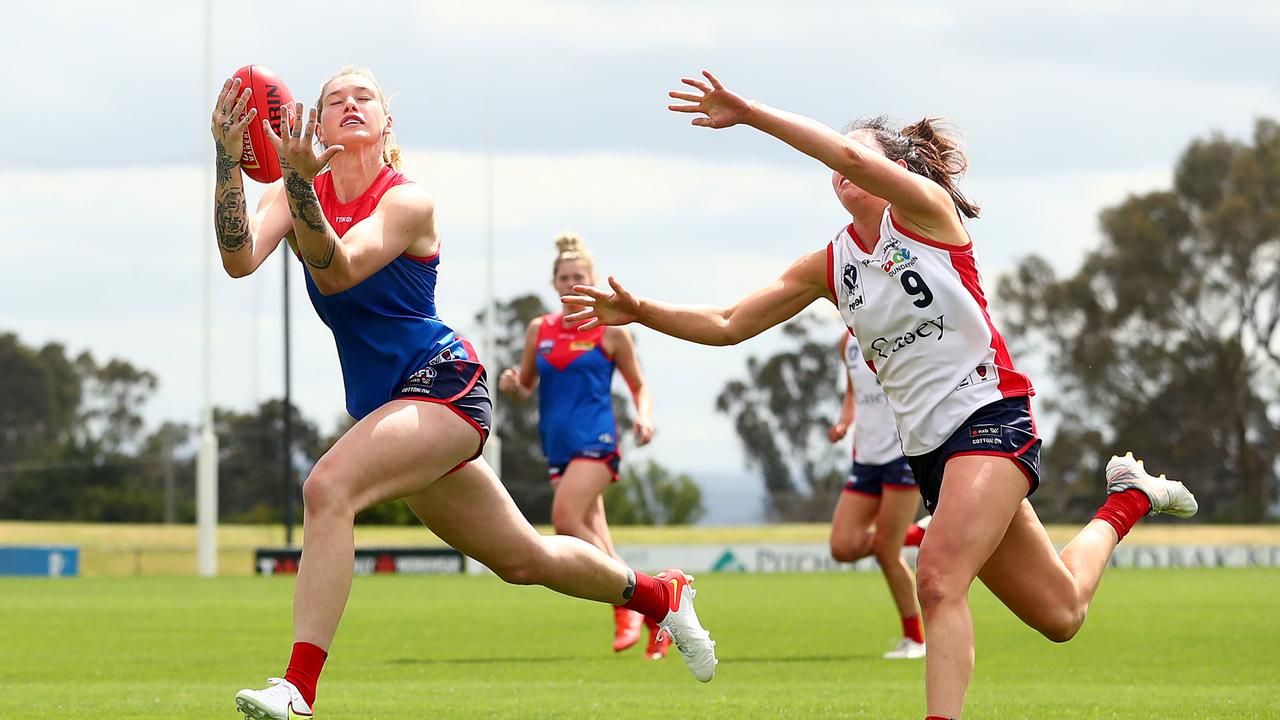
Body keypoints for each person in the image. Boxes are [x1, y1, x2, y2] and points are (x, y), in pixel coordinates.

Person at [563, 70, 1197, 720]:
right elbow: (728, 324)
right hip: (932, 453)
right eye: (843, 159)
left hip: (990, 418)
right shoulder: (831, 264)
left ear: (893, 166)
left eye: (859, 152)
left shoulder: (924, 212)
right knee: (1060, 612)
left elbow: (842, 153)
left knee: (939, 578)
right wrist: (641, 311)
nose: (844, 164)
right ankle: (1129, 498)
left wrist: (750, 112)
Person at [209, 67, 715, 719]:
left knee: (327, 488)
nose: (351, 105)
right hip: (391, 407)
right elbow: (237, 257)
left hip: (444, 385)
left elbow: (338, 271)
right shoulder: (293, 189)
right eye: (336, 100)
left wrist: (299, 181)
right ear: (317, 124)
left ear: (387, 124)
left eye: (365, 97)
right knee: (524, 559)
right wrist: (227, 159)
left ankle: (297, 689)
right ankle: (657, 596)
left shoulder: (407, 200)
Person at [498, 232, 670, 660]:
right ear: (554, 283)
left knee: (565, 519)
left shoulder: (609, 330)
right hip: (557, 447)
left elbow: (639, 385)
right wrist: (513, 388)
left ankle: (625, 604)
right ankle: (659, 609)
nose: (572, 282)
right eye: (564, 276)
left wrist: (645, 417)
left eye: (580, 276)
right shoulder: (540, 330)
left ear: (591, 280)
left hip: (597, 442)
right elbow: (525, 389)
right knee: (597, 541)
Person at [828, 332, 929, 660]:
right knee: (842, 547)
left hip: (903, 453)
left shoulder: (897, 329)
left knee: (887, 551)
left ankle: (915, 639)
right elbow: (853, 392)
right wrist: (845, 422)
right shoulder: (847, 342)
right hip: (866, 457)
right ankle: (919, 533)